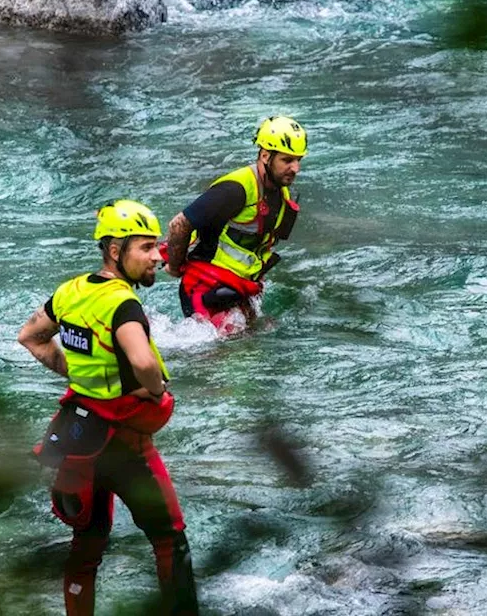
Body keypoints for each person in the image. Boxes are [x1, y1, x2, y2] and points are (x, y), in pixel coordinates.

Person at [17, 200, 198, 616]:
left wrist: (74, 371)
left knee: (87, 545)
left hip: (82, 438)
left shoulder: (70, 292)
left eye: (157, 247)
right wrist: (156, 391)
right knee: (170, 539)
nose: (158, 256)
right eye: (146, 248)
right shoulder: (123, 304)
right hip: (126, 444)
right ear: (116, 251)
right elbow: (143, 361)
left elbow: (30, 336)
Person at [164, 116, 306, 332]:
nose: (295, 168)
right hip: (204, 287)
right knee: (224, 353)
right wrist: (174, 267)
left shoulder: (282, 193)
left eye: (298, 160)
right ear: (265, 156)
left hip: (239, 288)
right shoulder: (235, 189)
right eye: (287, 160)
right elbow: (179, 224)